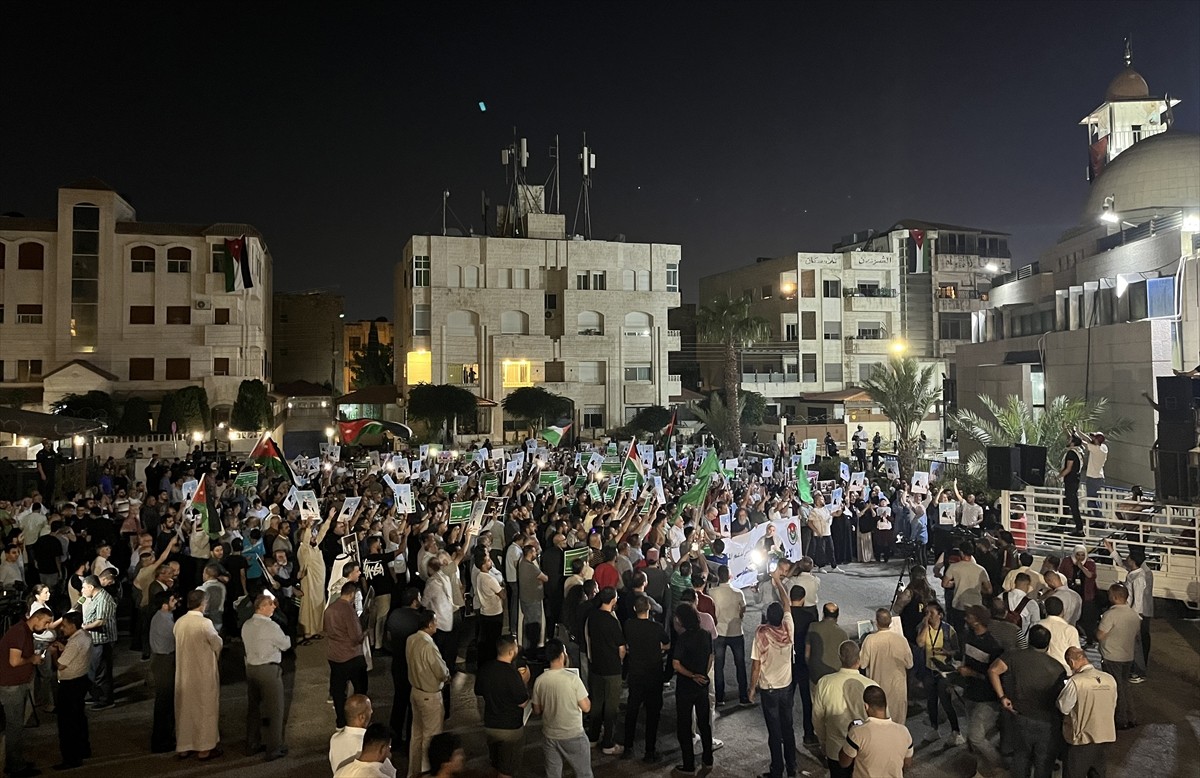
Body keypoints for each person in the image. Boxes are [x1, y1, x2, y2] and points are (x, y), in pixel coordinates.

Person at [988, 624, 1067, 778]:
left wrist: (1003, 697)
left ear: (1029, 639)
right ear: (1048, 644)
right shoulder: (1057, 668)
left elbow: (993, 670)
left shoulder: (1012, 656)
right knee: (1044, 763)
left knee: (1021, 757)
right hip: (1047, 722)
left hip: (1020, 717)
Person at [0, 605, 52, 777]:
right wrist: (32, 659)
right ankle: (15, 766)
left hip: (15, 684)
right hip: (12, 686)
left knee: (15, 725)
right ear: (36, 618)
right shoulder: (20, 632)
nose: (47, 627)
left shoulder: (25, 631)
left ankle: (15, 762)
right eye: (46, 622)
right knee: (14, 726)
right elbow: (14, 661)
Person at [812, 640, 878, 778]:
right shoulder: (871, 686)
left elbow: (817, 718)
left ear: (840, 658)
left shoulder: (824, 683)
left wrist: (823, 741)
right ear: (859, 659)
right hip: (864, 751)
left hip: (836, 749)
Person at [531, 638, 593, 778]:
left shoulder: (540, 680)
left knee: (553, 774)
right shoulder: (573, 679)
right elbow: (586, 707)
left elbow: (537, 710)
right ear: (562, 655)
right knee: (584, 773)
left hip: (550, 735)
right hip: (573, 734)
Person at [174, 588, 224, 760]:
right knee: (205, 708)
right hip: (203, 672)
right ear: (203, 603)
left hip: (184, 672)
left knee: (185, 709)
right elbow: (216, 643)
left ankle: (184, 746)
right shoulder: (204, 623)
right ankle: (204, 747)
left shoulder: (179, 622)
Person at [242, 593, 291, 761]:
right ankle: (274, 747)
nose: (274, 607)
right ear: (261, 607)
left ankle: (252, 743)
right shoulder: (271, 626)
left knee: (253, 709)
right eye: (270, 604)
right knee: (275, 710)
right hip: (268, 670)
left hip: (251, 668)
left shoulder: (247, 625)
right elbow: (285, 644)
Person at [748, 600, 795, 778]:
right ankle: (792, 768)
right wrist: (780, 586)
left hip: (769, 689)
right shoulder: (789, 628)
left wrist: (752, 688)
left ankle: (777, 770)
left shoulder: (761, 633)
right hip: (786, 686)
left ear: (767, 617)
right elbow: (788, 604)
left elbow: (756, 666)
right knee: (788, 729)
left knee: (774, 732)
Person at [1057, 646, 1118, 778]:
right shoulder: (1109, 679)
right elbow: (1113, 704)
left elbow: (1064, 707)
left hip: (1082, 739)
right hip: (1104, 737)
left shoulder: (1076, 682)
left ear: (1072, 662)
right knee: (1098, 773)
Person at [474, 634, 530, 778]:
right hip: (509, 730)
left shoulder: (486, 668)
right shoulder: (512, 674)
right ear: (511, 652)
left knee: (495, 765)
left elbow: (478, 691)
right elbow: (523, 702)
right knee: (506, 771)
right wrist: (524, 682)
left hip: (490, 725)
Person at [623, 594, 669, 762]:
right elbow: (667, 643)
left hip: (636, 673)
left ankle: (628, 747)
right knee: (653, 713)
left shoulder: (628, 625)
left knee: (632, 710)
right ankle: (650, 750)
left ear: (635, 609)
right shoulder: (656, 627)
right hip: (653, 674)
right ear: (649, 608)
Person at [672, 603, 714, 775]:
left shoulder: (683, 639)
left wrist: (692, 675)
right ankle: (708, 759)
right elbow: (711, 656)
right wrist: (702, 674)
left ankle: (688, 764)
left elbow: (676, 664)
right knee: (704, 723)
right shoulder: (706, 634)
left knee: (684, 725)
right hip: (702, 685)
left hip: (685, 687)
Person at [406, 608, 448, 778]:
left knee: (416, 735)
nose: (437, 624)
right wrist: (447, 676)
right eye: (435, 621)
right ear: (430, 624)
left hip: (415, 691)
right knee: (430, 738)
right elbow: (441, 671)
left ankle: (413, 772)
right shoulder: (429, 646)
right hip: (430, 696)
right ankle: (426, 773)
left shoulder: (411, 639)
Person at [1104, 539, 1153, 682]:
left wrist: (1133, 618)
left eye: (1129, 557)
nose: (1126, 559)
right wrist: (1111, 550)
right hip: (1133, 614)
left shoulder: (1139, 577)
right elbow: (1122, 564)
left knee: (1136, 644)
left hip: (1135, 615)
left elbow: (1138, 601)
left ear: (1133, 561)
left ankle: (1139, 672)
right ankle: (1135, 669)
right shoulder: (1135, 572)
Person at [839, 686, 913, 778]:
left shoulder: (857, 732)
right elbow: (907, 763)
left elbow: (844, 762)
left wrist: (849, 735)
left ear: (866, 706)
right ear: (886, 705)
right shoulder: (904, 731)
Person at [915, 603, 963, 746]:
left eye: (932, 613)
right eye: (926, 613)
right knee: (931, 701)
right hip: (929, 670)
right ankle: (934, 729)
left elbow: (957, 651)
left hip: (944, 671)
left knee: (946, 701)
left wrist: (948, 652)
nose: (928, 616)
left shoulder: (949, 630)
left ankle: (956, 731)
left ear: (940, 615)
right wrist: (925, 625)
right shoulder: (923, 628)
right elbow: (920, 643)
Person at [584, 586, 625, 753]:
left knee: (596, 703)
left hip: (596, 666)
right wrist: (621, 660)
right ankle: (608, 743)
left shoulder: (592, 616)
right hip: (612, 669)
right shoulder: (612, 621)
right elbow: (621, 648)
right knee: (611, 707)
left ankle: (593, 737)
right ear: (613, 600)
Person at [326, 580, 369, 730]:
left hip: (334, 655)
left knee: (338, 691)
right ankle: (357, 719)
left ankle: (340, 721)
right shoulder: (348, 611)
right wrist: (364, 633)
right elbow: (355, 636)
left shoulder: (330, 609)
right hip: (351, 656)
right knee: (360, 689)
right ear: (351, 594)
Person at [51, 611, 91, 770]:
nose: (62, 628)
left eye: (65, 625)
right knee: (79, 718)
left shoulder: (75, 642)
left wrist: (54, 654)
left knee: (67, 723)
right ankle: (83, 749)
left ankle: (71, 758)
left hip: (70, 684)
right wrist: (64, 648)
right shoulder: (85, 635)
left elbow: (61, 665)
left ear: (73, 626)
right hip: (81, 680)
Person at [1096, 583, 1139, 729]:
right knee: (1125, 686)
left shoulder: (1110, 615)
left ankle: (1121, 719)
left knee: (1116, 688)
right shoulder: (1134, 615)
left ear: (1114, 597)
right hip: (1127, 655)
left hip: (1112, 656)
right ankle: (1131, 716)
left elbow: (1100, 635)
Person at [859, 609, 913, 724]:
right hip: (897, 689)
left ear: (876, 622)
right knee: (898, 722)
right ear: (890, 622)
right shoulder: (901, 640)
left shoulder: (870, 640)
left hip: (878, 689)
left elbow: (862, 664)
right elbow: (909, 664)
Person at [385, 587, 422, 745]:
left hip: (397, 663)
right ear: (414, 601)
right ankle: (410, 740)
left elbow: (388, 637)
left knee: (399, 700)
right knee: (413, 704)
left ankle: (394, 737)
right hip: (412, 666)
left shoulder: (394, 615)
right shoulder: (418, 619)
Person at [709, 565, 750, 707]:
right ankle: (743, 696)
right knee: (740, 664)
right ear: (730, 576)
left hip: (719, 632)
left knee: (719, 666)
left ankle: (720, 697)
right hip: (736, 631)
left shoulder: (712, 592)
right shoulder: (738, 593)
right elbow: (743, 610)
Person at [330, 695, 398, 775]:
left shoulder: (334, 739)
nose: (372, 711)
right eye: (369, 709)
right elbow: (387, 772)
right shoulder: (368, 744)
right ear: (361, 717)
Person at [79, 574, 118, 710]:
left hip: (102, 641)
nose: (82, 590)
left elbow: (101, 621)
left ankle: (106, 699)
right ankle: (97, 695)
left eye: (84, 587)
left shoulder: (103, 599)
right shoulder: (94, 597)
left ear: (91, 587)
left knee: (102, 672)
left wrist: (84, 627)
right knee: (94, 670)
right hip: (95, 640)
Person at [149, 590, 179, 753]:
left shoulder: (162, 617)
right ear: (165, 604)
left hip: (162, 659)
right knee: (165, 702)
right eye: (173, 600)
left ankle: (163, 738)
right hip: (164, 661)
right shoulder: (164, 620)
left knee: (164, 702)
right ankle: (162, 740)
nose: (176, 602)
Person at [941, 541, 992, 636]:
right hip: (975, 606)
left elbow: (945, 584)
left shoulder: (954, 567)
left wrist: (955, 583)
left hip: (959, 604)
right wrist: (979, 589)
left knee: (959, 632)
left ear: (961, 552)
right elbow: (989, 590)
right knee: (975, 632)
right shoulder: (981, 569)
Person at [805, 602, 848, 685]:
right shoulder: (843, 634)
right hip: (834, 676)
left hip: (816, 674)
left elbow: (807, 654)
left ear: (823, 614)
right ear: (837, 616)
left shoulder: (813, 627)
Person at [1039, 597, 1081, 673]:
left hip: (1041, 668)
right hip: (1063, 670)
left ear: (1044, 610)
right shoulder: (1069, 630)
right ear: (1063, 611)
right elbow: (1075, 654)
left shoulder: (1037, 625)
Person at [1075, 427, 1108, 517]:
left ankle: (1099, 518)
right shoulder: (1103, 448)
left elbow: (1084, 442)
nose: (1092, 438)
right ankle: (1099, 518)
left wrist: (1076, 434)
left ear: (1097, 440)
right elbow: (1089, 440)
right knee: (1095, 499)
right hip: (1099, 477)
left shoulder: (1096, 449)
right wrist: (1079, 432)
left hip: (1093, 478)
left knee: (1091, 500)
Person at [1004, 572, 1040, 649]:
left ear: (1015, 583)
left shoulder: (1001, 597)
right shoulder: (1031, 604)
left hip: (1001, 639)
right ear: (1028, 585)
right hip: (1021, 645)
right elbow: (1035, 626)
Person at [1060, 435, 1085, 535]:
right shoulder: (1079, 452)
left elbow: (1068, 468)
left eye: (1070, 440)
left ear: (1073, 442)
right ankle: (1061, 524)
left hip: (1070, 481)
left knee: (1073, 504)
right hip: (1075, 480)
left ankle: (1080, 528)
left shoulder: (1071, 453)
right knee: (1066, 502)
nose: (1068, 440)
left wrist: (1059, 476)